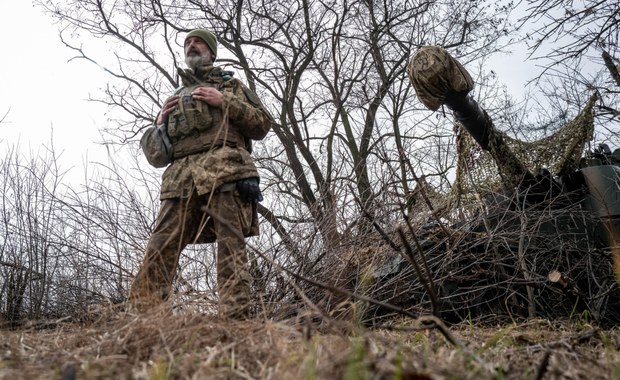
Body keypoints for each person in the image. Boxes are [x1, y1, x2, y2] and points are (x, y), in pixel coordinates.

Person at [130, 29, 273, 319]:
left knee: (230, 245)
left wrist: (224, 102)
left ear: (211, 52)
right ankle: (143, 319)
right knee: (161, 245)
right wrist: (159, 122)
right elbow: (156, 157)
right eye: (187, 43)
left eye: (198, 42)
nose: (191, 46)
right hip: (180, 182)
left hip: (226, 173)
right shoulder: (174, 98)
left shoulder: (230, 86)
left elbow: (261, 125)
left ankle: (235, 319)